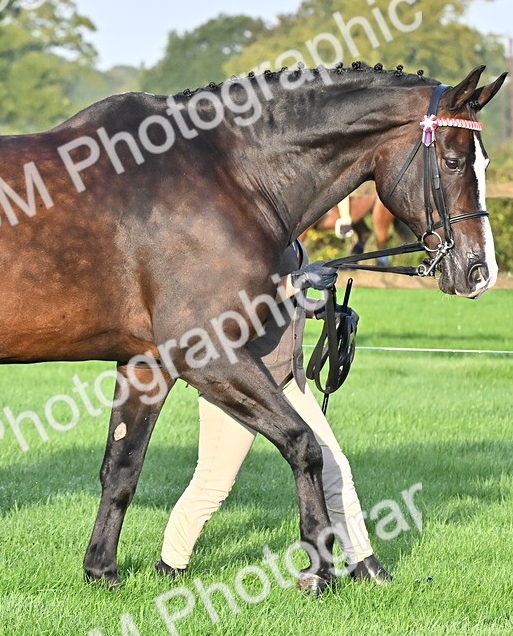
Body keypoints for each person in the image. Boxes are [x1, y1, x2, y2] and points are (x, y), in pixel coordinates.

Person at [155, 240, 392, 583]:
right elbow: (242, 304)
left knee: (333, 465)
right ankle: (170, 566)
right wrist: (297, 282)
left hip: (286, 380)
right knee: (213, 483)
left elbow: (291, 304)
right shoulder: (251, 239)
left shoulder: (294, 242)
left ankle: (362, 563)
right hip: (241, 382)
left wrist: (325, 310)